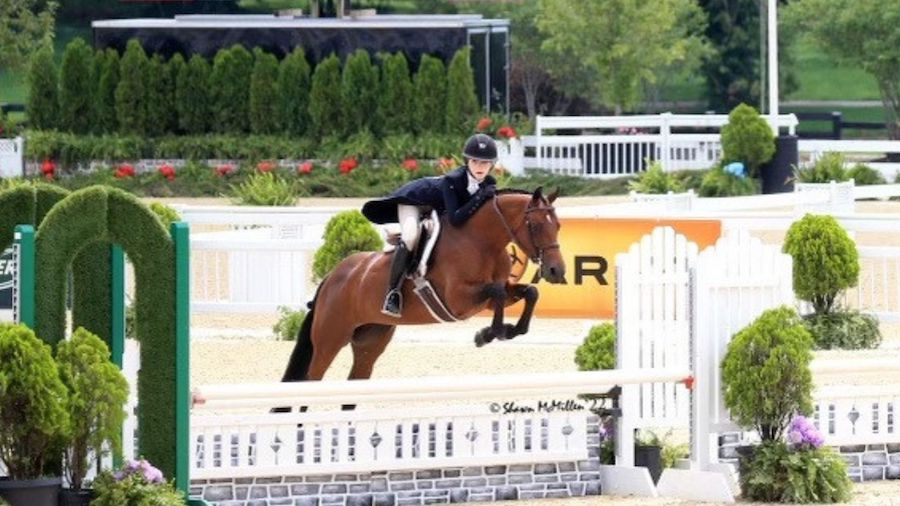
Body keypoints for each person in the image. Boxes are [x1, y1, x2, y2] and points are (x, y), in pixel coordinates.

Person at [362, 133, 499, 317]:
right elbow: (456, 218)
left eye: (484, 162)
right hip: (414, 201)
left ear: (492, 164)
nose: (480, 167)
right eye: (475, 161)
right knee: (411, 236)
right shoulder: (453, 180)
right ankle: (392, 293)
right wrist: (482, 197)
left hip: (436, 208)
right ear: (467, 162)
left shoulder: (488, 184)